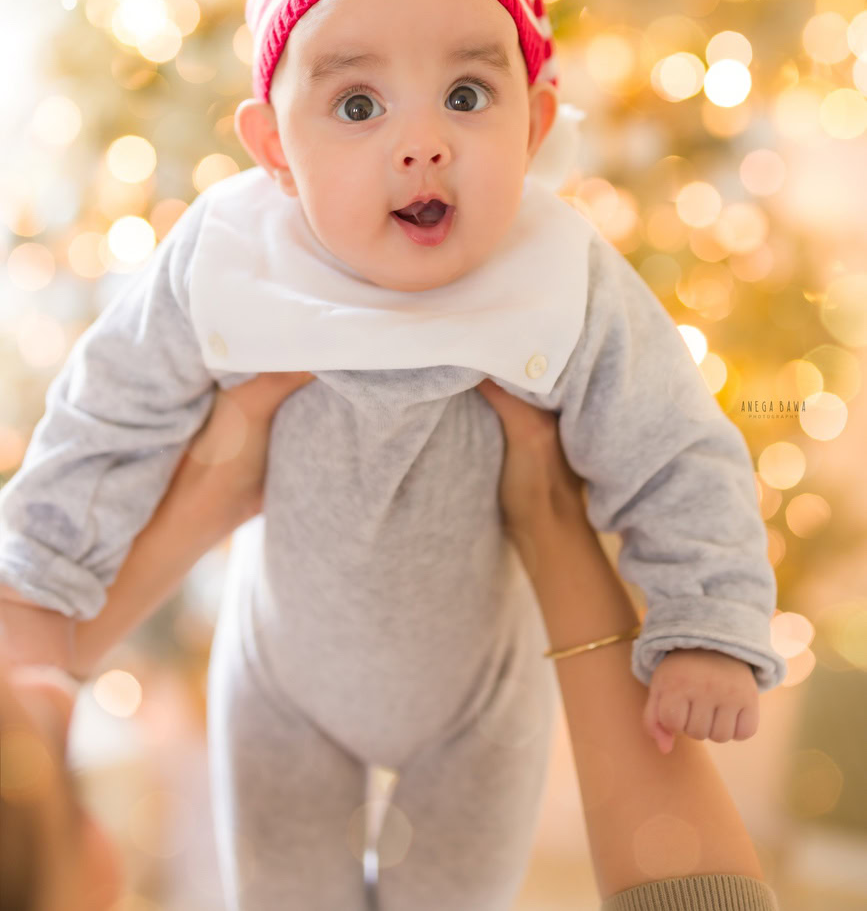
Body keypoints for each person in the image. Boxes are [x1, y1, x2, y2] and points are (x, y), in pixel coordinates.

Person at [0, 0, 785, 911]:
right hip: (282, 682)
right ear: (274, 146)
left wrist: (707, 624)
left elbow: (676, 445)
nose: (423, 142)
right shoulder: (231, 258)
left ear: (538, 122)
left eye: (469, 93)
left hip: (480, 701)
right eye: (358, 106)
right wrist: (33, 583)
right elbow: (105, 418)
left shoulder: (562, 276)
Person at [0, 372, 780, 910]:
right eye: (56, 770)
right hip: (315, 692)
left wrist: (208, 496)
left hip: (448, 692)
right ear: (92, 882)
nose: (44, 687)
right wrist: (558, 523)